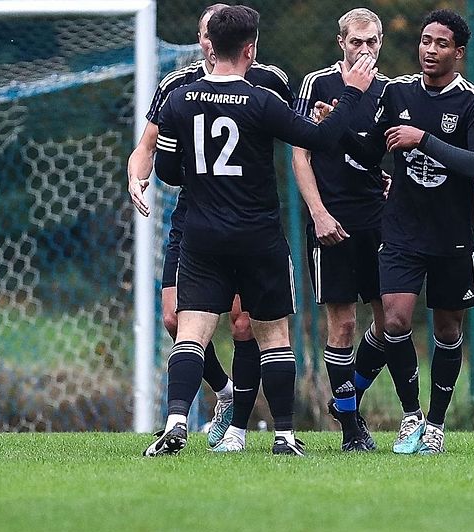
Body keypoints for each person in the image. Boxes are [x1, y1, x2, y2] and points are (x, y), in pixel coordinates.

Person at [151, 5, 377, 456]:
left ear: (209, 46)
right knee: (272, 334)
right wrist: (351, 95)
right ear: (250, 49)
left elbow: (168, 171)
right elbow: (320, 140)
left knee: (192, 331)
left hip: (202, 236)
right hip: (257, 235)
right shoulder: (261, 100)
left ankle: (176, 421)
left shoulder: (180, 99)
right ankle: (284, 435)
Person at [317, 9, 474, 454]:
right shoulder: (397, 91)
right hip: (399, 229)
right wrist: (334, 128)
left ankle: (436, 423)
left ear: (458, 52)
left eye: (440, 44)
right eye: (424, 41)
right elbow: (368, 152)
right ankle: (411, 415)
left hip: (452, 234)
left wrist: (425, 140)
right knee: (394, 320)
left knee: (448, 331)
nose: (429, 50)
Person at [127, 3, 293, 455]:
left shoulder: (269, 80)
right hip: (194, 218)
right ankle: (221, 392)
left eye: (210, 34)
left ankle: (237, 430)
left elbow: (298, 132)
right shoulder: (177, 86)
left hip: (247, 217)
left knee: (243, 322)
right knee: (174, 317)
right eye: (201, 33)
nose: (205, 41)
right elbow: (146, 149)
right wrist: (134, 177)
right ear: (201, 38)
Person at [291, 8, 390, 452]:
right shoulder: (317, 84)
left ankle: (348, 397)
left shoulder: (390, 89)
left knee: (392, 321)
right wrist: (318, 212)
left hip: (378, 220)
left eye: (371, 42)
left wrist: (393, 185)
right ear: (341, 44)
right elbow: (301, 154)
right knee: (344, 323)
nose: (364, 50)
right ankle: (352, 431)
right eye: (356, 42)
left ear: (381, 43)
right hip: (332, 220)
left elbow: (388, 154)